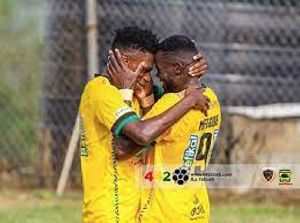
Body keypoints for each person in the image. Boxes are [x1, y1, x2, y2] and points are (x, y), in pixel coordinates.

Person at [79, 27, 210, 223]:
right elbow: (128, 144)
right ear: (123, 61)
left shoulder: (143, 91)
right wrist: (189, 100)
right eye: (145, 69)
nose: (149, 77)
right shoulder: (100, 91)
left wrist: (193, 71)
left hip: (139, 209)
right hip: (110, 211)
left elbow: (160, 123)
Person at [120, 35, 222, 223]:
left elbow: (124, 148)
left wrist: (125, 94)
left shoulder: (172, 103)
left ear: (177, 69)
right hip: (196, 208)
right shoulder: (211, 97)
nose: (158, 78)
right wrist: (149, 100)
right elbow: (169, 129)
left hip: (164, 212)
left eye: (160, 71)